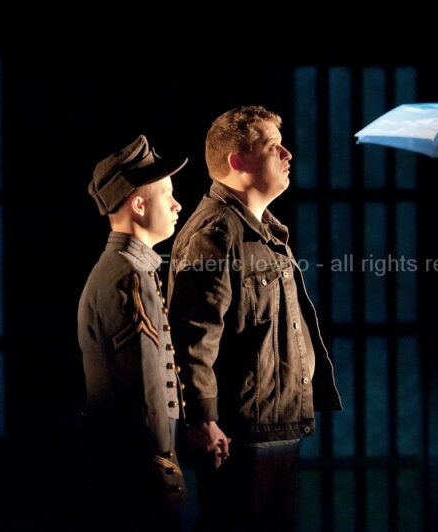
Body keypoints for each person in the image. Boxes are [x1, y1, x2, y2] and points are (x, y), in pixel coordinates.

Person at [167, 105, 342, 532]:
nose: (287, 154)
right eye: (272, 146)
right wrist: (203, 420)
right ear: (237, 162)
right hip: (243, 437)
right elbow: (192, 337)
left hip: (275, 427)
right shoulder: (215, 234)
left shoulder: (264, 231)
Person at [77, 134, 188, 531]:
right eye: (167, 195)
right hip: (134, 471)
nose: (177, 205)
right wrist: (164, 463)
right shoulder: (128, 275)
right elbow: (144, 389)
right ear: (138, 205)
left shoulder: (131, 268)